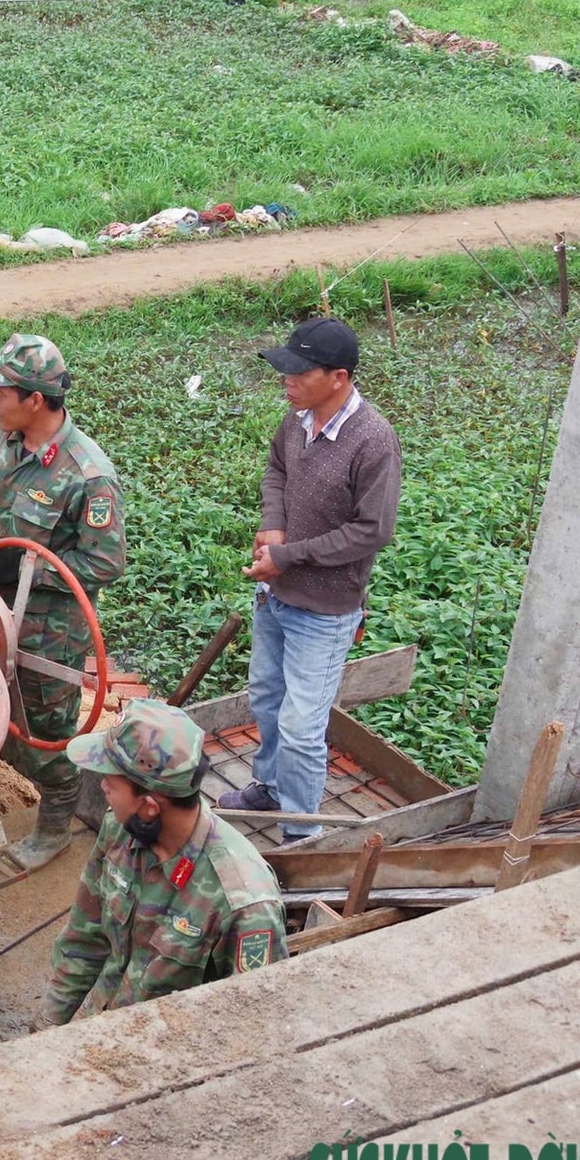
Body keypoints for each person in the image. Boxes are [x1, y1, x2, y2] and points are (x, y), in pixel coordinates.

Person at [217, 317, 401, 844]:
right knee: (267, 697)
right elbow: (277, 469)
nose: (287, 380)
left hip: (324, 610)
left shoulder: (373, 441)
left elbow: (373, 530)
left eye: (299, 372)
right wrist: (272, 525)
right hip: (275, 595)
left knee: (302, 727)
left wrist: (288, 556)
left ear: (338, 377)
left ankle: (303, 835)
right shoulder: (297, 421)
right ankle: (271, 787)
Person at [0, 334, 124, 869]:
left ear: (35, 400)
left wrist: (30, 567)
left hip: (51, 631)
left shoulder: (88, 476)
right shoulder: (11, 444)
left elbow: (105, 563)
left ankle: (55, 826)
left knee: (44, 735)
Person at [34, 700, 288, 1030]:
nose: (103, 786)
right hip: (97, 1032)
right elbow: (85, 939)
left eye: (113, 780)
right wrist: (43, 1031)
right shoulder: (119, 830)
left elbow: (251, 1026)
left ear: (151, 807)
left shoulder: (244, 904)